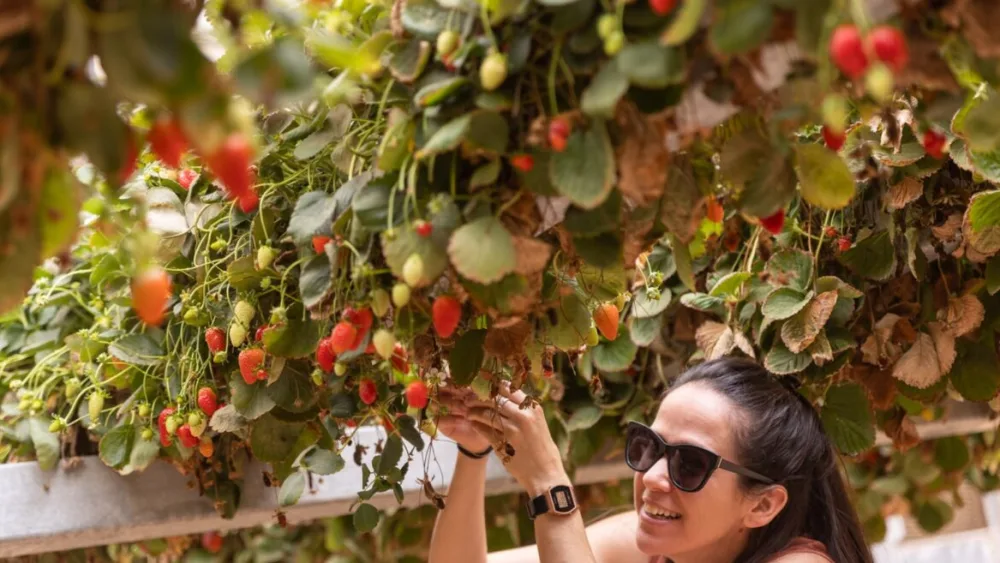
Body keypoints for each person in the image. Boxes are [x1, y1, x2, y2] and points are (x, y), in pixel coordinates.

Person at [427, 357, 874, 563]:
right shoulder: (664, 547)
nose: (655, 476)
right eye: (650, 447)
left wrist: (549, 486)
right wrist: (473, 448)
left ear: (762, 505)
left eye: (691, 464)